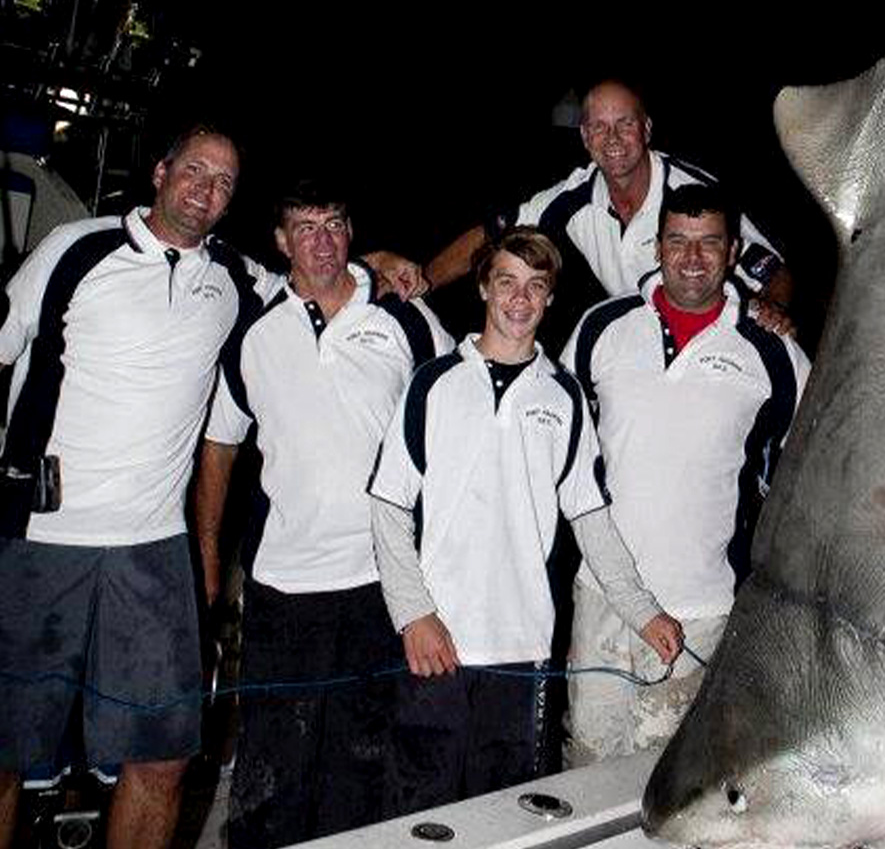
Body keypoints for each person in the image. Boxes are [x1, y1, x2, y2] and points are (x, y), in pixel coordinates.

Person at [0, 125, 419, 849]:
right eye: (195, 171)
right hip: (43, 539)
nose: (206, 190)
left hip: (152, 552)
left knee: (165, 757)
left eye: (224, 182)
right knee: (6, 751)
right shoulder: (75, 249)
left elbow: (318, 280)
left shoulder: (236, 279)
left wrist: (378, 263)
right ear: (160, 172)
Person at [368, 227, 683, 807]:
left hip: (522, 650)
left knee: (503, 815)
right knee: (418, 813)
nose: (520, 299)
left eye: (535, 286)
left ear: (550, 299)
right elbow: (387, 506)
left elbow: (590, 518)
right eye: (507, 282)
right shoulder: (432, 384)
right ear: (484, 287)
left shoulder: (564, 397)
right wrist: (414, 614)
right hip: (437, 643)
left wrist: (642, 610)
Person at [195, 180, 453, 848]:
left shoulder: (403, 318)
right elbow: (220, 447)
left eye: (334, 223)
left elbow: (459, 417)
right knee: (272, 762)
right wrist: (208, 561)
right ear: (280, 241)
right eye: (304, 227)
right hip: (284, 585)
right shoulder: (251, 328)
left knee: (362, 762)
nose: (322, 240)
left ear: (351, 231)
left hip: (381, 583)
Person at [560, 183, 810, 764]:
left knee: (665, 773)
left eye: (708, 243)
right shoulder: (602, 327)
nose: (692, 257)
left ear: (731, 252)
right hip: (600, 593)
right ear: (656, 247)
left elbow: (807, 474)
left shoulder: (775, 353)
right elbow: (554, 441)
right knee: (585, 763)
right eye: (677, 241)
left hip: (700, 608)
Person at [422, 80, 795, 332]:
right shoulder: (575, 196)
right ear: (585, 137)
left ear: (646, 129)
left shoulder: (695, 194)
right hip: (645, 346)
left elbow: (774, 271)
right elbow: (492, 231)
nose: (612, 138)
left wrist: (773, 312)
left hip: (721, 335)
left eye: (625, 123)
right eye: (599, 127)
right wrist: (422, 282)